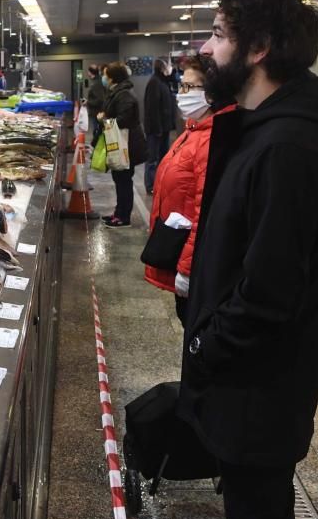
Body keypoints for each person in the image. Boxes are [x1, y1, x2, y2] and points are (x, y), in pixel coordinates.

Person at [178, 0, 318, 519]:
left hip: (259, 387)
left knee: (259, 510)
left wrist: (206, 345)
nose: (206, 51)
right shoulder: (262, 129)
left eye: (217, 35)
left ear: (258, 48)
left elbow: (270, 289)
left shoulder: (290, 147)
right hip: (247, 380)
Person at [143, 57, 235, 323]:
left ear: (211, 95)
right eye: (181, 87)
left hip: (194, 264)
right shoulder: (192, 131)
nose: (181, 95)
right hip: (177, 248)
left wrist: (186, 268)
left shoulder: (210, 141)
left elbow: (204, 210)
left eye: (189, 88)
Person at [97, 62, 146, 228]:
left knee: (124, 180)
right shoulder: (117, 92)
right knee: (120, 179)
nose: (104, 78)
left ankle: (123, 217)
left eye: (105, 75)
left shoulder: (124, 94)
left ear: (112, 77)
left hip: (127, 145)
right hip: (121, 143)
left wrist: (103, 119)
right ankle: (119, 212)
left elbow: (124, 119)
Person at [142, 58, 177, 195]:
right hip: (156, 129)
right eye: (168, 65)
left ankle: (160, 182)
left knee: (163, 157)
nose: (171, 67)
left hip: (164, 127)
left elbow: (174, 82)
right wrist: (157, 129)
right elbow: (152, 108)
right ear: (162, 67)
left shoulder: (164, 82)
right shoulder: (154, 82)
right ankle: (150, 185)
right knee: (152, 159)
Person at [83, 65, 107, 142]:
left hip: (97, 112)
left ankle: (97, 147)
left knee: (97, 132)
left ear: (90, 72)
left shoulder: (97, 83)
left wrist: (88, 102)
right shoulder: (98, 81)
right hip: (98, 112)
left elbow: (100, 99)